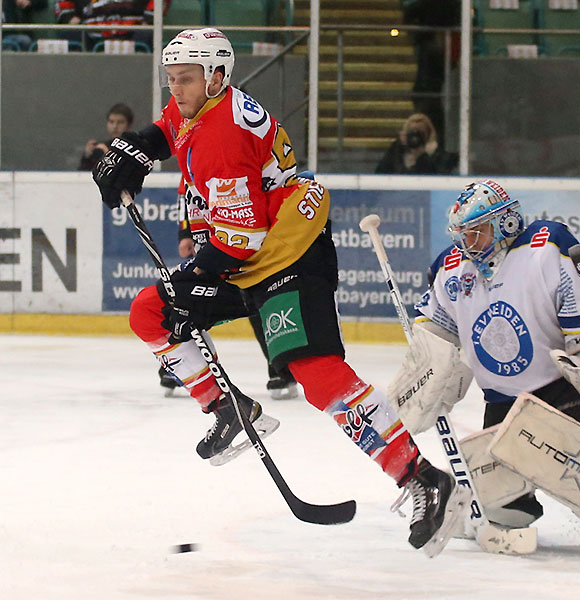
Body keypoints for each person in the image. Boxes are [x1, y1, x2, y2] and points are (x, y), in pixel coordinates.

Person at [91, 27, 469, 556]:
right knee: (150, 313)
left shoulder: (223, 134)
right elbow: (167, 129)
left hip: (289, 255)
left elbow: (240, 240)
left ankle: (418, 475)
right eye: (170, 79)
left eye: (186, 79)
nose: (176, 90)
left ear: (217, 76)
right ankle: (227, 410)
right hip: (249, 256)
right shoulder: (201, 103)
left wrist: (193, 277)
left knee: (314, 373)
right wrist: (134, 151)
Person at [392, 179, 580, 530]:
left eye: (477, 232)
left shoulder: (548, 246)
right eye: (462, 234)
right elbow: (435, 335)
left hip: (563, 397)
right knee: (501, 510)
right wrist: (428, 372)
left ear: (506, 222)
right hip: (503, 406)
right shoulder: (451, 268)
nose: (468, 243)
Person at [162, 177, 300, 400]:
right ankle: (180, 367)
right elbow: (185, 195)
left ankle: (281, 371)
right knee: (190, 303)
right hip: (210, 246)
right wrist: (185, 233)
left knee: (259, 305)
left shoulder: (233, 153)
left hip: (245, 242)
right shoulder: (191, 150)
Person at [400, 0, 460, 143]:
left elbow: (410, 13)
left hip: (434, 49)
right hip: (436, 50)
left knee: (430, 96)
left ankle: (432, 138)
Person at [54, 0, 169, 51]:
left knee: (148, 34)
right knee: (70, 34)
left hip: (133, 30)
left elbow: (159, 4)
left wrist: (149, 20)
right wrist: (70, 18)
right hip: (91, 31)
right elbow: (64, 5)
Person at [375, 113, 457, 175]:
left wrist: (431, 154)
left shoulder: (437, 156)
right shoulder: (395, 152)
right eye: (412, 132)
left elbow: (443, 175)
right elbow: (380, 174)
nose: (415, 137)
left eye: (420, 133)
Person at [79, 103, 133, 172]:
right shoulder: (103, 146)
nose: (115, 126)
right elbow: (82, 177)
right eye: (111, 122)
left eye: (120, 122)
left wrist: (107, 156)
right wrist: (87, 157)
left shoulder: (134, 149)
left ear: (129, 125)